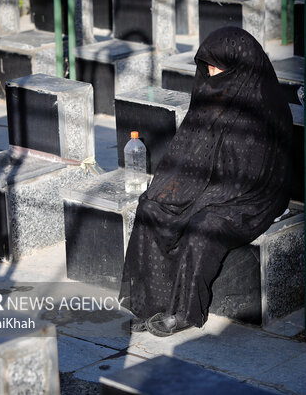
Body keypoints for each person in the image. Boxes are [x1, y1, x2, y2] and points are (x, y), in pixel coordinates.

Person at [120, 26, 293, 336]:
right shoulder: (214, 90)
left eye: (218, 66)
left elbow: (249, 176)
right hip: (206, 183)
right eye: (208, 65)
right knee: (151, 206)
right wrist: (173, 190)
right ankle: (148, 302)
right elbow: (187, 148)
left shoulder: (264, 104)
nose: (211, 72)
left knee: (203, 226)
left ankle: (185, 311)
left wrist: (192, 201)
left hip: (250, 197)